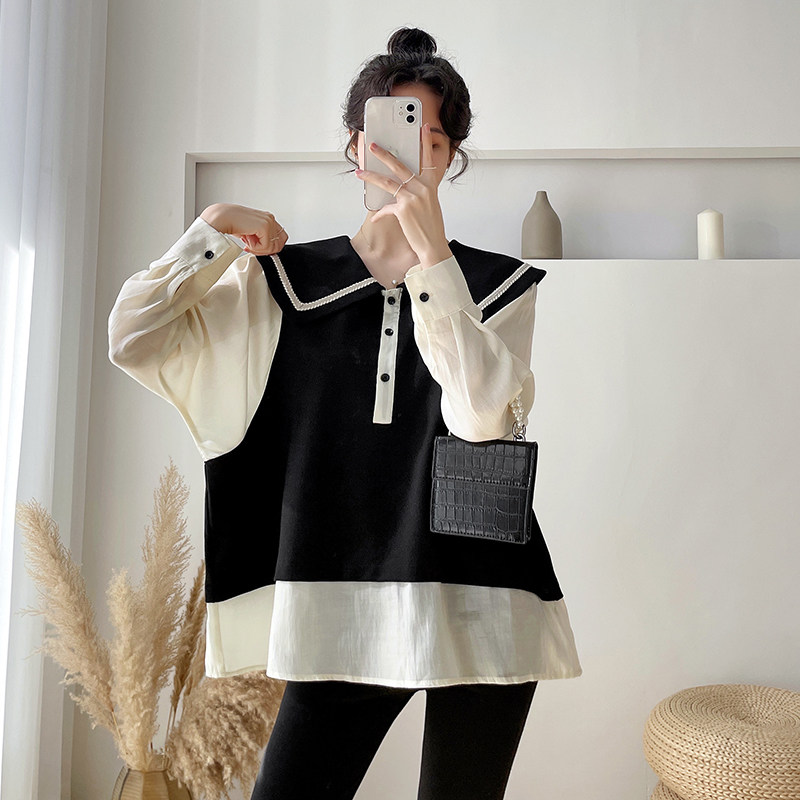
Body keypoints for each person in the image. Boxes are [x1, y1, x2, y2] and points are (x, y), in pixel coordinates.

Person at [108, 26, 581, 800]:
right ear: (357, 147)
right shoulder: (279, 282)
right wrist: (215, 227)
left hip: (485, 601)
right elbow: (132, 337)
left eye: (430, 137)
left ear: (449, 157)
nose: (410, 154)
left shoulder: (497, 288)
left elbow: (483, 421)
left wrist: (434, 263)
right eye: (390, 132)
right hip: (341, 610)